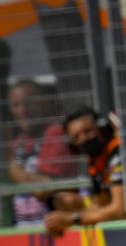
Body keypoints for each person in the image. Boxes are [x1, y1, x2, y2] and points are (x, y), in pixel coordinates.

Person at [44, 107, 126, 236]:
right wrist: (61, 219)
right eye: (76, 137)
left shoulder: (117, 151)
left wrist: (72, 219)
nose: (84, 138)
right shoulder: (94, 162)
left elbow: (120, 210)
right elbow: (101, 205)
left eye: (88, 131)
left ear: (101, 128)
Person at [6, 79, 78, 226]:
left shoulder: (55, 133)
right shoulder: (20, 141)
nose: (22, 110)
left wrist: (14, 171)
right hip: (22, 230)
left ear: (44, 103)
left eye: (28, 102)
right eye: (16, 105)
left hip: (53, 228)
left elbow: (44, 189)